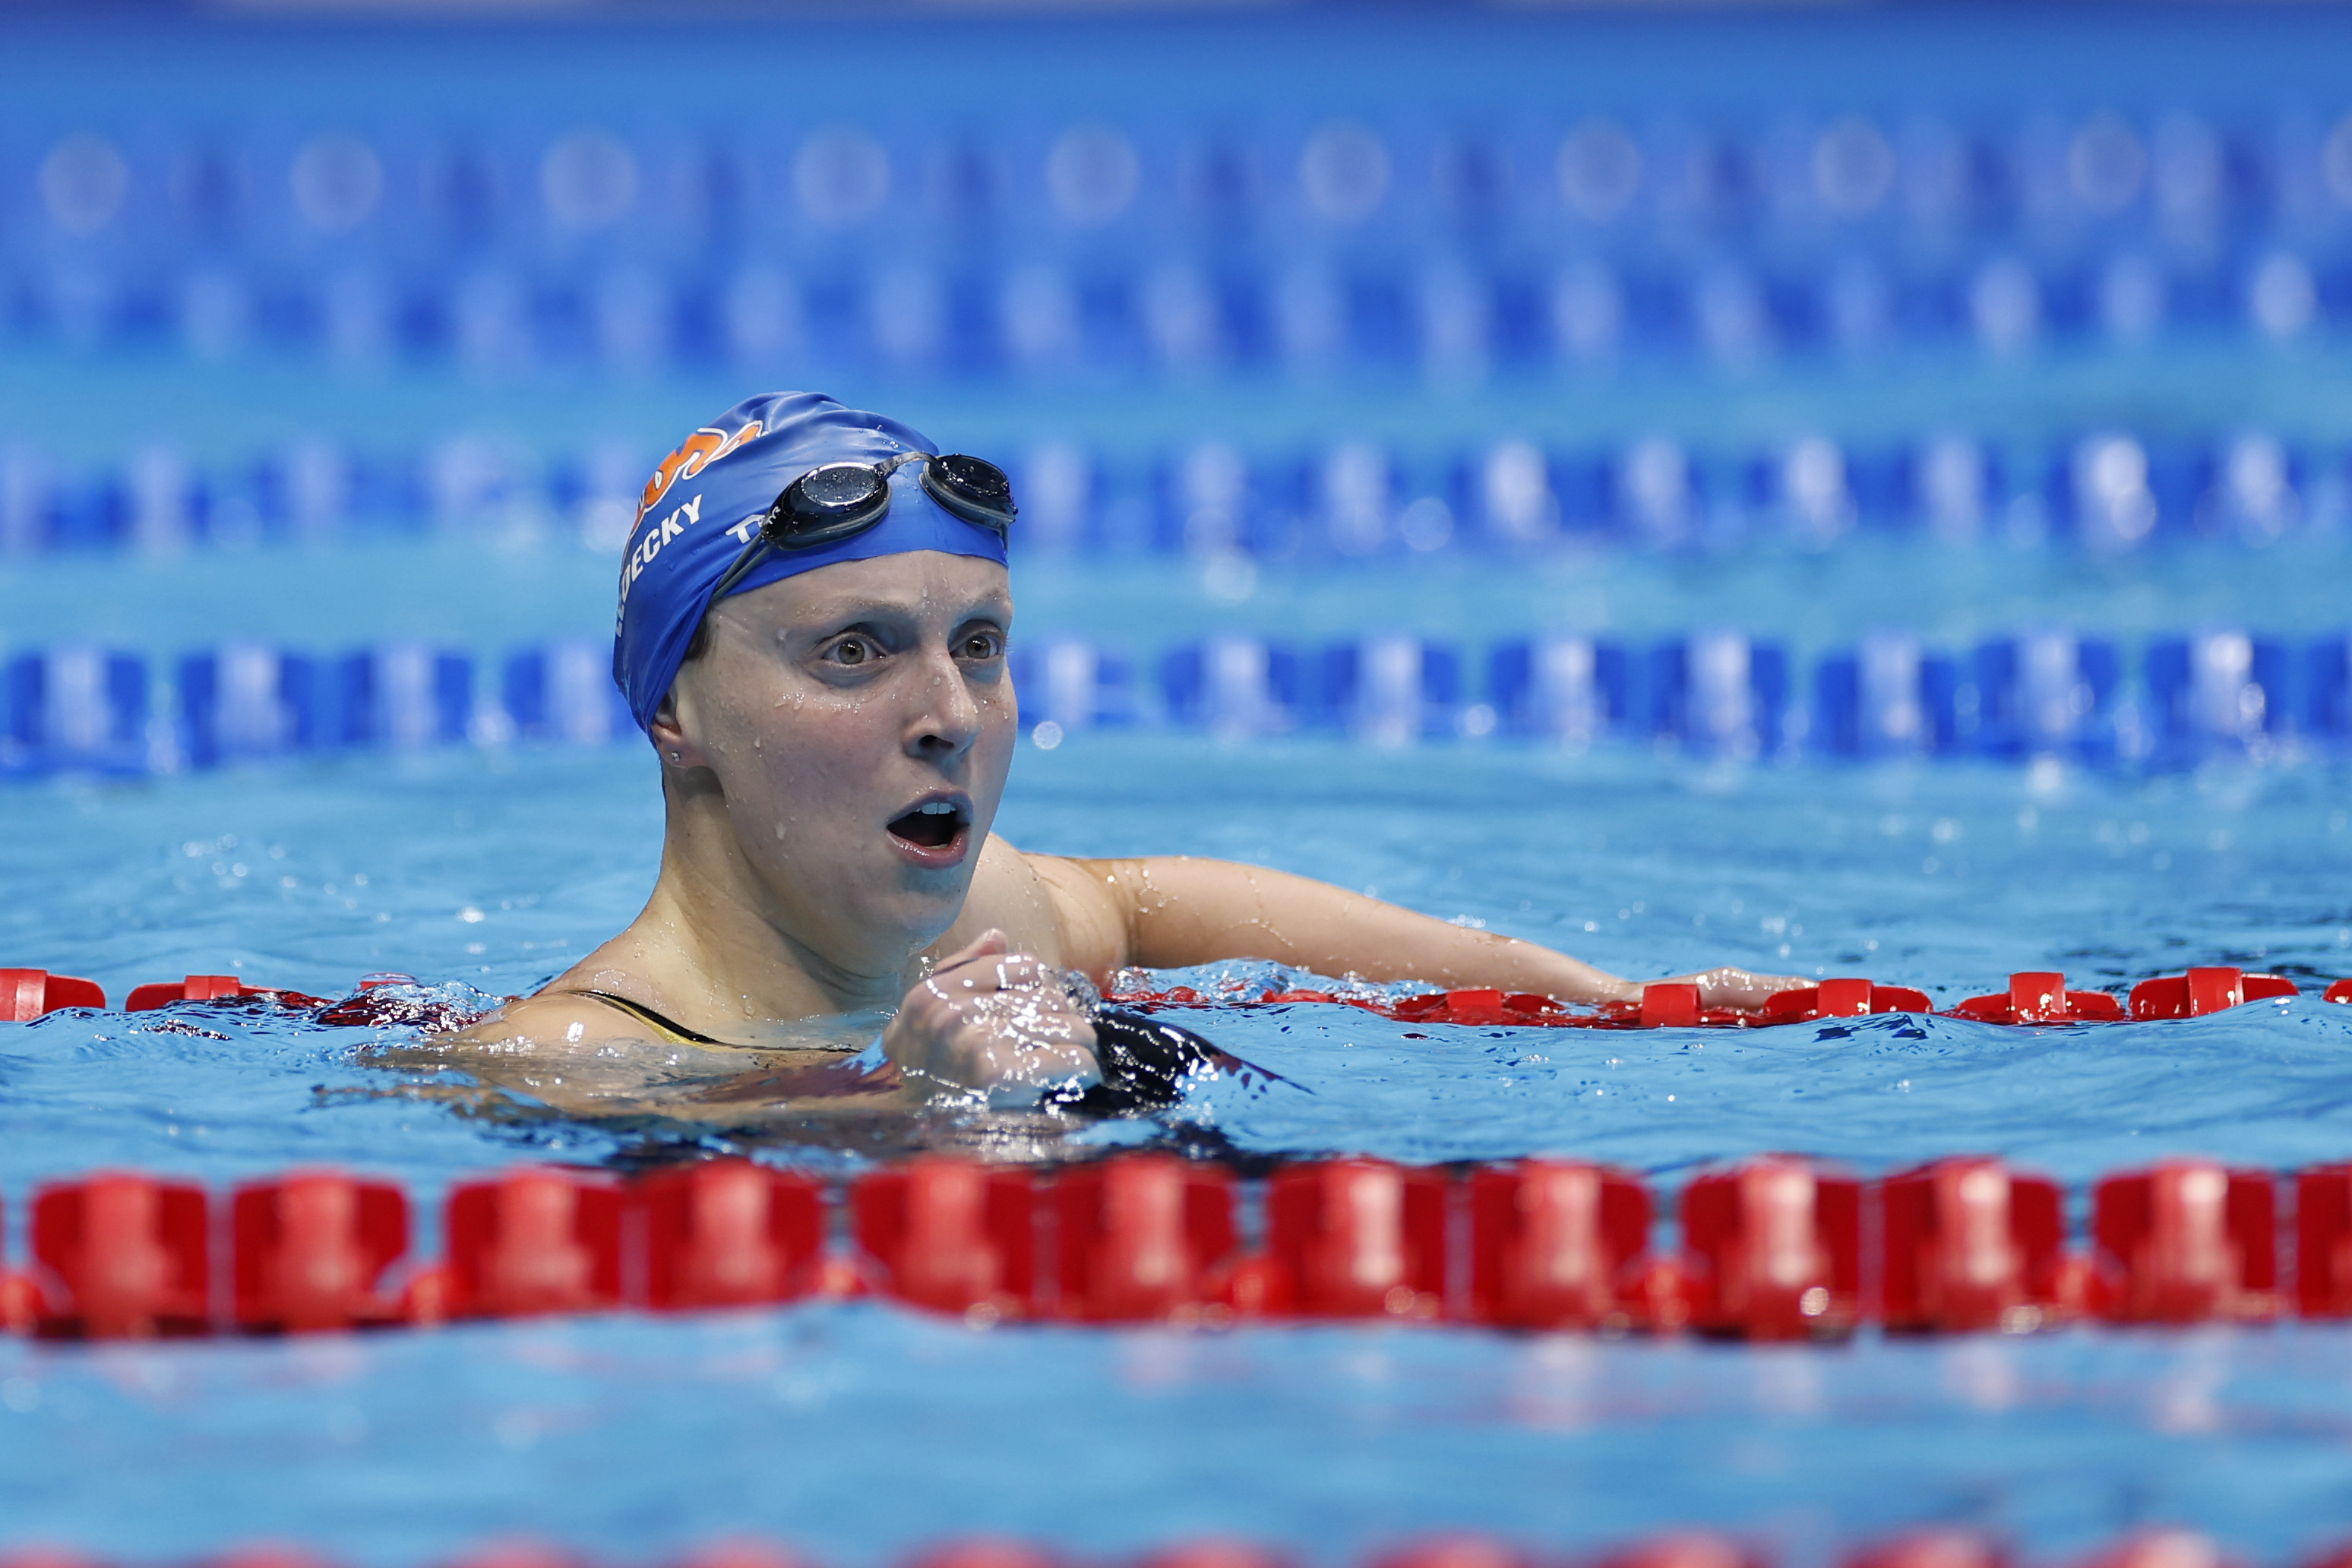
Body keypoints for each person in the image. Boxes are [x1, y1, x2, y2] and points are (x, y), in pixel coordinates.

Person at [440, 393, 1798, 1116]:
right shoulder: (572, 1063)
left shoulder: (985, 918)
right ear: (675, 714)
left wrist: (1591, 995)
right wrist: (915, 1111)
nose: (951, 714)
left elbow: (1150, 902)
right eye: (854, 651)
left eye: (977, 644)